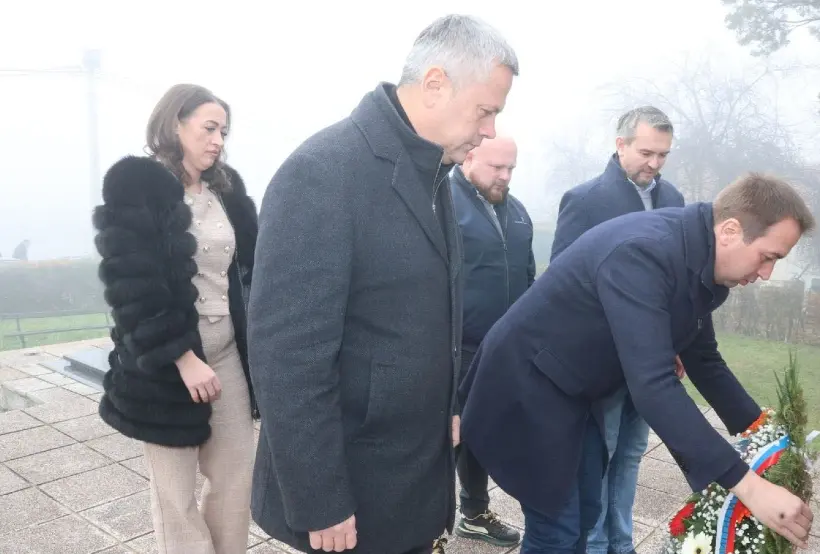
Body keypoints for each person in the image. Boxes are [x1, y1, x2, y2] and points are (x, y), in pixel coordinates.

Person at [246, 14, 519, 554]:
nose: (489, 130)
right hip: (353, 486)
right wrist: (320, 499)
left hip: (412, 471)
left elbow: (422, 315)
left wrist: (450, 403)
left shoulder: (433, 173)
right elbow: (288, 357)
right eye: (485, 111)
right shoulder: (323, 173)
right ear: (436, 84)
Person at [459, 173, 817, 553]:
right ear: (729, 230)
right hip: (525, 388)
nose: (766, 274)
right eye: (768, 257)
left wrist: (766, 436)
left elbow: (704, 359)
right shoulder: (644, 252)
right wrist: (749, 486)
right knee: (557, 528)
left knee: (586, 512)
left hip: (574, 392)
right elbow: (654, 385)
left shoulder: (697, 260)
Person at [92, 84, 259, 554]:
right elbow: (132, 287)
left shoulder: (227, 189)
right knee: (175, 498)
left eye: (223, 131)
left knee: (234, 481)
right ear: (174, 125)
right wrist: (183, 358)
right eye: (208, 128)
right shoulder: (136, 185)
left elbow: (254, 267)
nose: (218, 140)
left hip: (227, 355)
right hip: (164, 365)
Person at [551, 106, 684, 554]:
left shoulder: (675, 202)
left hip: (651, 364)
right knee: (599, 459)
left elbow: (676, 286)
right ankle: (593, 544)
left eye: (663, 155)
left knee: (630, 456)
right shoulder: (585, 200)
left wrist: (674, 345)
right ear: (620, 144)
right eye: (646, 152)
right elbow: (561, 286)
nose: (654, 163)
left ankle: (621, 546)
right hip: (604, 359)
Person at [450, 135, 531, 547]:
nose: (504, 176)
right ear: (469, 157)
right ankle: (429, 524)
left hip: (502, 348)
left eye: (511, 168)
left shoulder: (518, 214)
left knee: (481, 431)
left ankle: (474, 513)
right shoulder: (442, 202)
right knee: (446, 434)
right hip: (455, 345)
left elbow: (529, 280)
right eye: (496, 167)